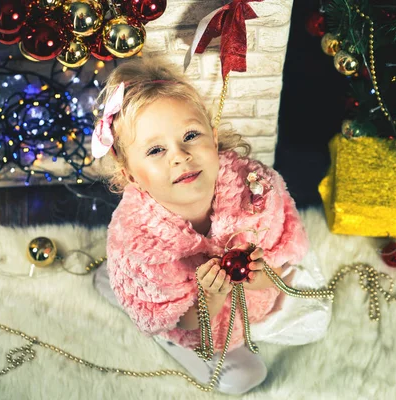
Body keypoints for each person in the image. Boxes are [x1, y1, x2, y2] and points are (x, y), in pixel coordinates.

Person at [91, 57, 331, 394]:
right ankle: (121, 292)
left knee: (315, 315)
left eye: (191, 135)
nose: (180, 155)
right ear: (131, 175)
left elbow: (282, 262)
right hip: (203, 323)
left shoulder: (255, 189)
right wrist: (211, 296)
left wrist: (261, 278)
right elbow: (183, 320)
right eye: (156, 150)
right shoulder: (138, 243)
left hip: (254, 302)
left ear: (213, 138)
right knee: (242, 374)